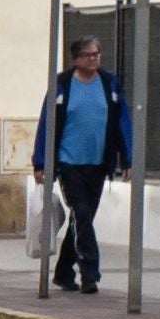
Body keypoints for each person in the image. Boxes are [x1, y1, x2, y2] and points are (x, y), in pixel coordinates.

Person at [32, 34, 133, 293]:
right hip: (69, 163)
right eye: (88, 55)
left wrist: (128, 158)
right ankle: (90, 272)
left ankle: (64, 272)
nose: (94, 59)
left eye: (97, 54)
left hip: (98, 163)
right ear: (75, 59)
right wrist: (41, 162)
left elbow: (122, 122)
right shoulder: (62, 85)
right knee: (83, 214)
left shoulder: (109, 84)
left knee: (82, 219)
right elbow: (47, 124)